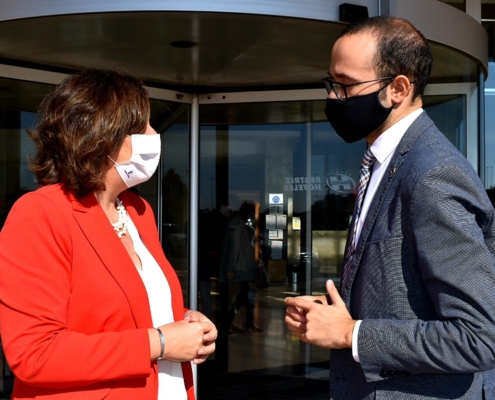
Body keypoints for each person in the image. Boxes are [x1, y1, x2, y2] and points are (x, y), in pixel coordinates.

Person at [285, 16, 495, 399]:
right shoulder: (388, 162)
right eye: (330, 84)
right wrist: (334, 313)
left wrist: (351, 333)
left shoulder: (432, 175)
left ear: (398, 88)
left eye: (346, 85)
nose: (333, 98)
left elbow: (477, 337)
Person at [0, 69, 217, 399]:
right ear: (104, 137)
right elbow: (34, 354)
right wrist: (159, 342)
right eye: (142, 126)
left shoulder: (138, 211)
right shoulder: (41, 213)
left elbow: (127, 313)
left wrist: (187, 324)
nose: (154, 133)